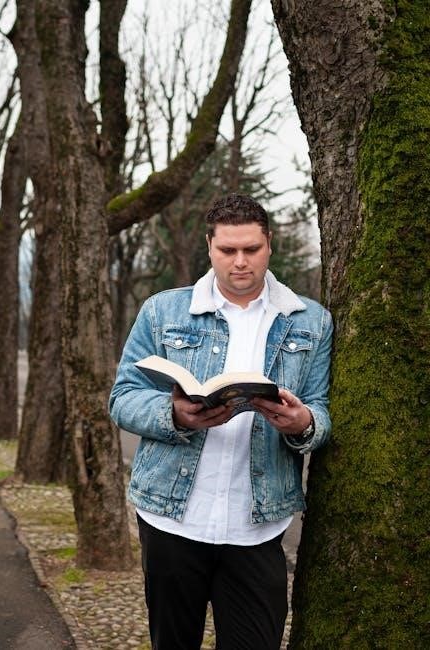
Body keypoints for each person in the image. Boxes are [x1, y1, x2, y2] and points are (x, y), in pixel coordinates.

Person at [109, 193, 333, 650]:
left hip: (257, 526)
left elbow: (321, 408)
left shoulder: (311, 321)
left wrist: (303, 422)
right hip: (171, 519)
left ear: (269, 244)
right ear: (209, 246)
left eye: (251, 249)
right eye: (228, 250)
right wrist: (174, 413)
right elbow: (123, 398)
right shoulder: (162, 310)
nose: (240, 261)